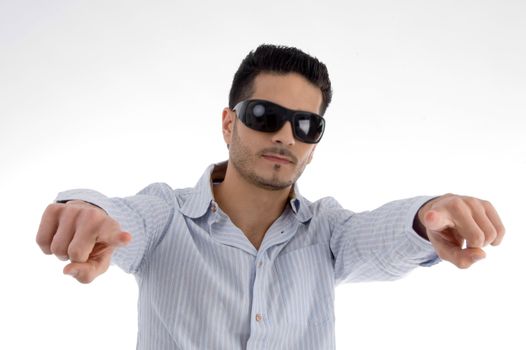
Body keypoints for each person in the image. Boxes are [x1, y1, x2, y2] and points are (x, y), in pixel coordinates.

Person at [36, 44, 505, 350]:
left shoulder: (328, 231)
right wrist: (85, 210)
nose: (285, 135)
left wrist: (425, 218)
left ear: (313, 144)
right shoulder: (166, 217)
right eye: (264, 114)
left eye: (306, 125)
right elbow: (119, 218)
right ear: (228, 123)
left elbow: (380, 236)